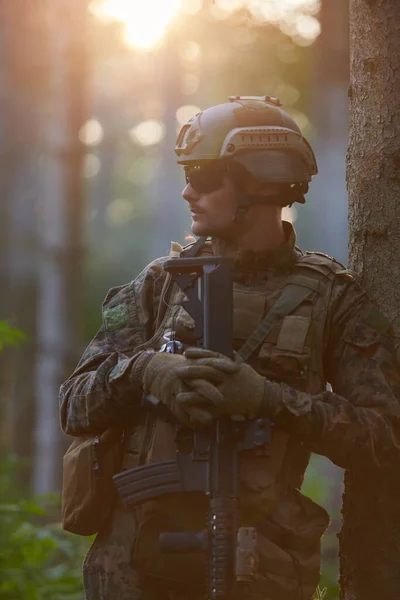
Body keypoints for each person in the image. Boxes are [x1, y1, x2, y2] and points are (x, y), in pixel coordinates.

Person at [59, 96, 400, 600]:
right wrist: (146, 371)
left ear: (259, 182)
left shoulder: (332, 298)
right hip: (131, 572)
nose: (187, 190)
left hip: (252, 571)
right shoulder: (160, 283)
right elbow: (73, 403)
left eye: (203, 175)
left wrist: (270, 400)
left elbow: (384, 438)